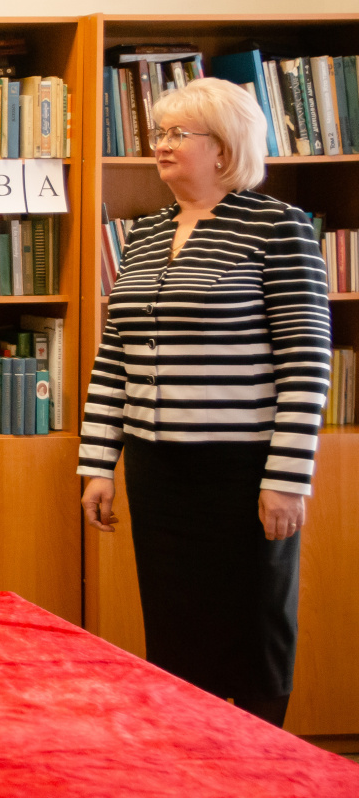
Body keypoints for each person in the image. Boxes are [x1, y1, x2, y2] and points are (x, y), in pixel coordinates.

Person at [78, 77, 330, 728]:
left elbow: (306, 362)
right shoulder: (144, 234)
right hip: (158, 469)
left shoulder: (277, 227)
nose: (161, 145)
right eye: (159, 133)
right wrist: (98, 463)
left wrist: (287, 478)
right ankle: (191, 761)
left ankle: (261, 768)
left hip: (243, 471)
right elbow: (115, 358)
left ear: (223, 147)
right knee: (176, 632)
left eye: (177, 134)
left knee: (255, 631)